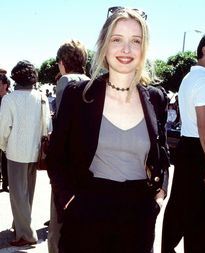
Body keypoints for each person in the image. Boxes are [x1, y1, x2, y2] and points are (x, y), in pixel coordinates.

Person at [47, 7, 169, 253]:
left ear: (144, 48)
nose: (126, 49)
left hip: (139, 217)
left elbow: (162, 153)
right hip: (86, 212)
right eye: (117, 39)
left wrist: (158, 197)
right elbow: (57, 157)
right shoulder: (78, 96)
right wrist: (69, 201)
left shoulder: (156, 98)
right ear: (104, 44)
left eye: (136, 41)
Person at [161, 32, 205, 253]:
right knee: (199, 218)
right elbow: (204, 125)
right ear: (204, 50)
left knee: (180, 208)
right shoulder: (204, 81)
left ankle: (166, 248)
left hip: (188, 148)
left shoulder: (190, 78)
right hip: (201, 151)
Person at [0, 60, 52, 247]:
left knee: (17, 194)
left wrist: (3, 146)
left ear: (15, 77)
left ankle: (26, 234)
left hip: (15, 151)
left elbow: (3, 128)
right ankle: (20, 224)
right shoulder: (42, 98)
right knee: (28, 193)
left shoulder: (10, 99)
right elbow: (47, 127)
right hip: (35, 151)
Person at [47, 39, 90, 253]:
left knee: (57, 223)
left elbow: (63, 124)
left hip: (67, 161)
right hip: (86, 162)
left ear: (63, 61)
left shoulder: (65, 81)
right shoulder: (91, 81)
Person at [0, 74, 10, 192]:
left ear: (5, 85)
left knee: (5, 160)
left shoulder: (9, 99)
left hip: (6, 134)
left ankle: (6, 184)